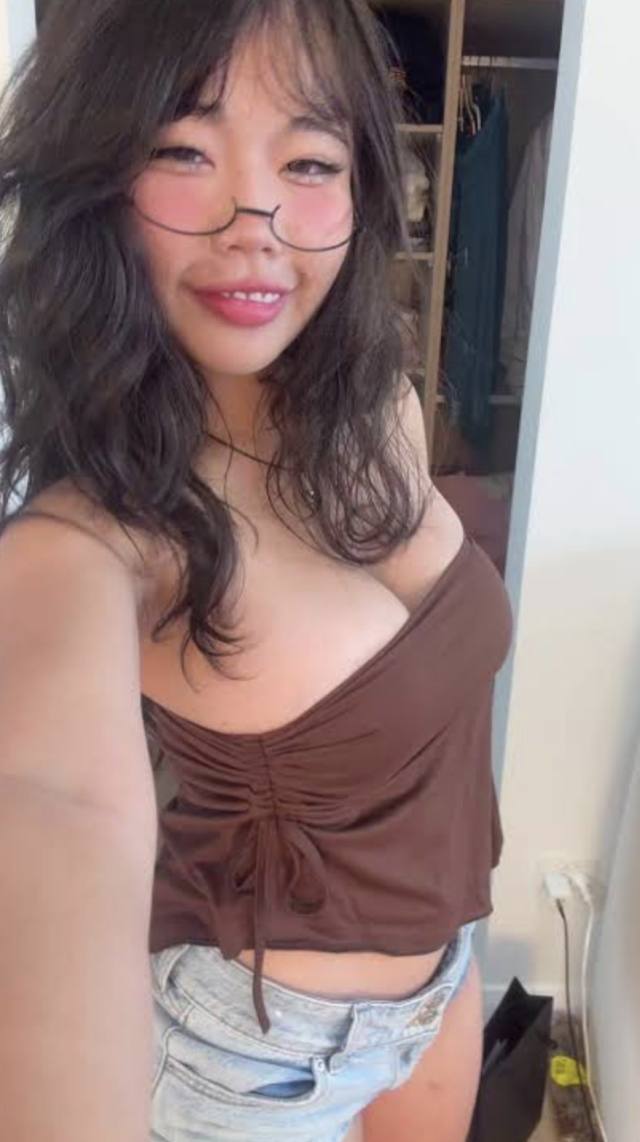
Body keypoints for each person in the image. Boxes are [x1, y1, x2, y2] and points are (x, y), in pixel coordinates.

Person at [0, 1, 513, 1140]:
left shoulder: (378, 415)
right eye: (185, 151)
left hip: (441, 989)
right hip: (243, 1060)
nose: (256, 222)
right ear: (95, 184)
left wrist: (450, 982)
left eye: (309, 161)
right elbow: (54, 806)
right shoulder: (93, 542)